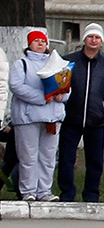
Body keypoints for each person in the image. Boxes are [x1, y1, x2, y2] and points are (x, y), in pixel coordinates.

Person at [57, 23, 104, 203]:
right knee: (66, 159)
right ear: (84, 39)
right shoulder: (69, 62)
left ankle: (91, 194)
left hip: (96, 122)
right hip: (71, 119)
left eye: (97, 37)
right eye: (90, 37)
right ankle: (67, 194)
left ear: (101, 41)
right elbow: (59, 87)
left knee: (95, 161)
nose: (93, 40)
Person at [8, 29, 67, 201]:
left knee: (48, 157)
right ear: (29, 44)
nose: (40, 44)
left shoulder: (56, 62)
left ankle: (44, 191)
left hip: (52, 117)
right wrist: (42, 97)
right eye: (36, 41)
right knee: (28, 157)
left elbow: (66, 84)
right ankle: (28, 191)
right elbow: (17, 86)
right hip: (28, 117)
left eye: (43, 41)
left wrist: (61, 95)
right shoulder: (22, 64)